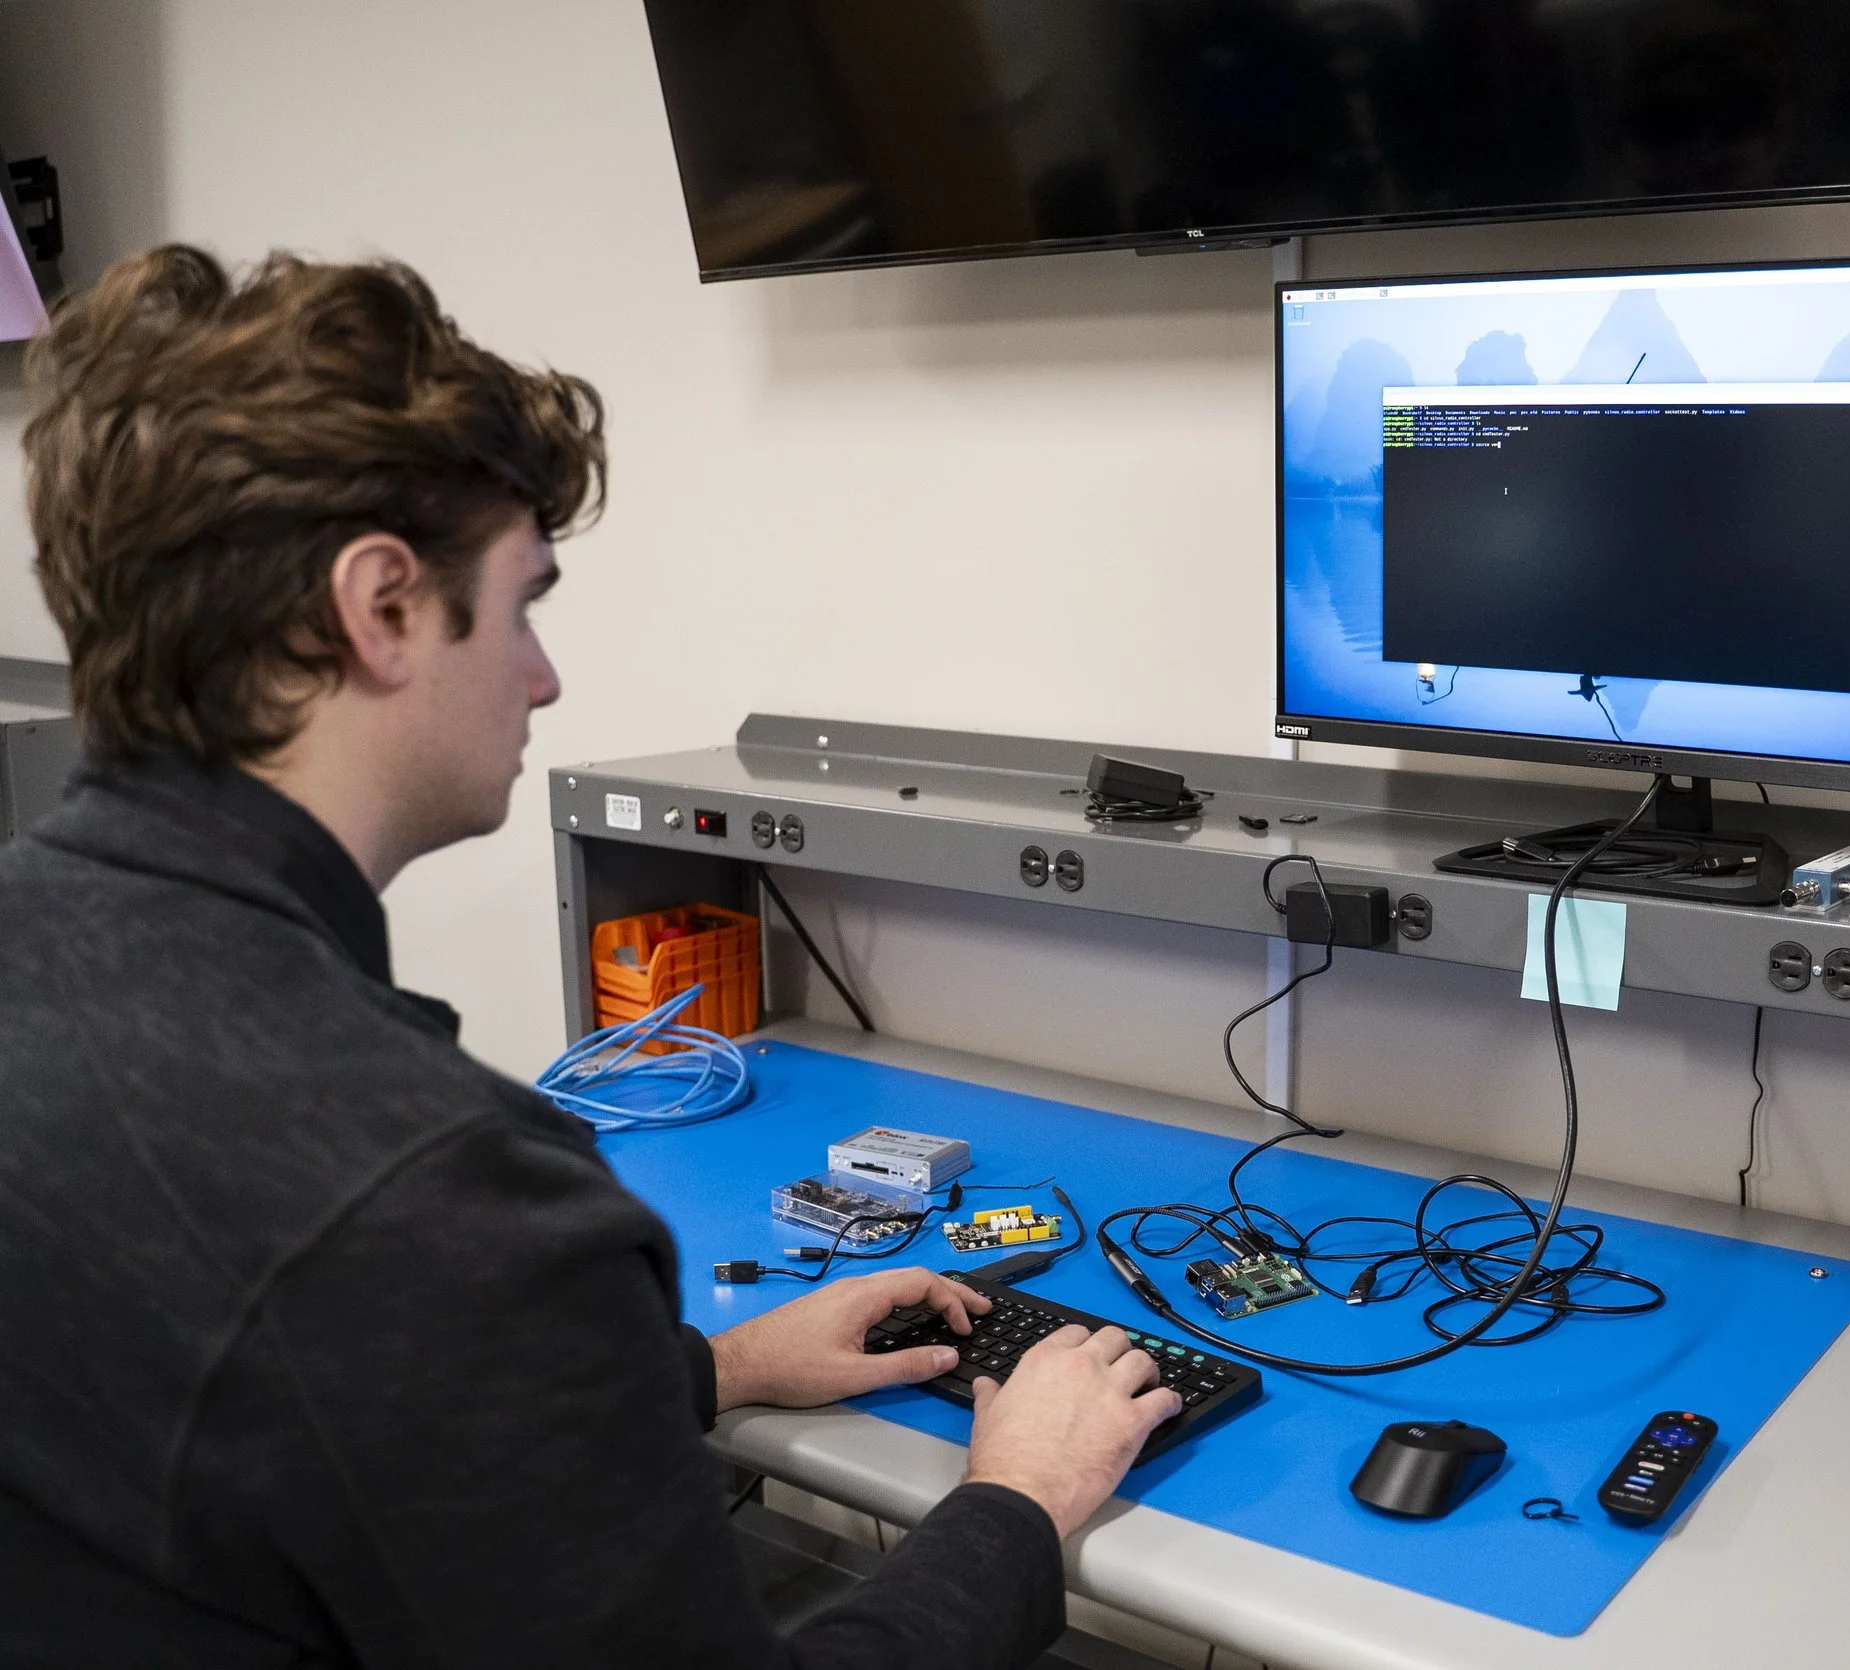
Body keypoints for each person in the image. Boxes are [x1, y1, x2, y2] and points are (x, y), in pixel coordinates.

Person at [0, 246, 1180, 1668]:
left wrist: (713, 1366)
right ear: (380, 607)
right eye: (521, 604)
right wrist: (1018, 1501)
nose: (544, 675)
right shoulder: (447, 1204)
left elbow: (294, 1401)